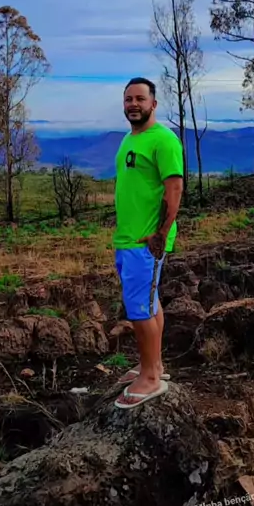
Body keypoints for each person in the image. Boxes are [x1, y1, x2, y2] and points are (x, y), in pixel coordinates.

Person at [113, 77, 184, 410]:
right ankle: (152, 365)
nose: (133, 104)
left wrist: (161, 234)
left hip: (146, 242)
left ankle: (151, 378)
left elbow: (174, 189)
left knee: (139, 310)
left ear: (153, 104)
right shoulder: (130, 139)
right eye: (128, 99)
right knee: (149, 303)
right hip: (128, 238)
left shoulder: (163, 140)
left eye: (140, 99)